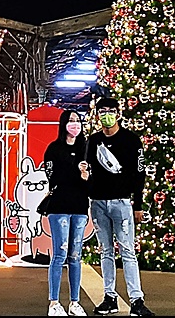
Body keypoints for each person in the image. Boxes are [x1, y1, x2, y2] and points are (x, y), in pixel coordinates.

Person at [87, 96, 154, 317]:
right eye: (102, 111)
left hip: (122, 203)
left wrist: (138, 205)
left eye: (111, 110)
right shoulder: (93, 141)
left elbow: (139, 174)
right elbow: (87, 170)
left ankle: (136, 300)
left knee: (127, 251)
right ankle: (109, 297)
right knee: (105, 251)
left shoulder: (131, 141)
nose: (107, 115)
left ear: (118, 113)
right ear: (97, 115)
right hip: (98, 203)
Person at [42, 110, 90, 317]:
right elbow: (53, 177)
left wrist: (85, 175)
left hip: (80, 207)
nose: (75, 125)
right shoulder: (54, 149)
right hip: (59, 206)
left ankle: (74, 302)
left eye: (78, 121)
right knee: (59, 254)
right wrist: (76, 172)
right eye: (71, 121)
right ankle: (54, 302)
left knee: (75, 256)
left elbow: (89, 178)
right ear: (63, 125)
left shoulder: (86, 149)